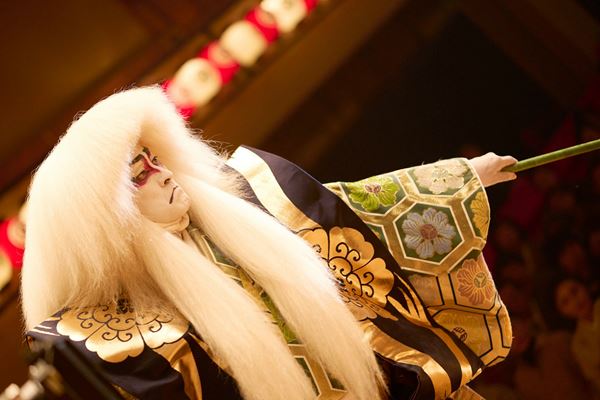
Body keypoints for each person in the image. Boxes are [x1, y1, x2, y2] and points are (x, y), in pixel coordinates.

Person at [23, 87, 516, 400]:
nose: (163, 173)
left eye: (155, 158)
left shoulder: (255, 198)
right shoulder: (122, 333)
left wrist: (462, 177)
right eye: (139, 175)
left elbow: (356, 209)